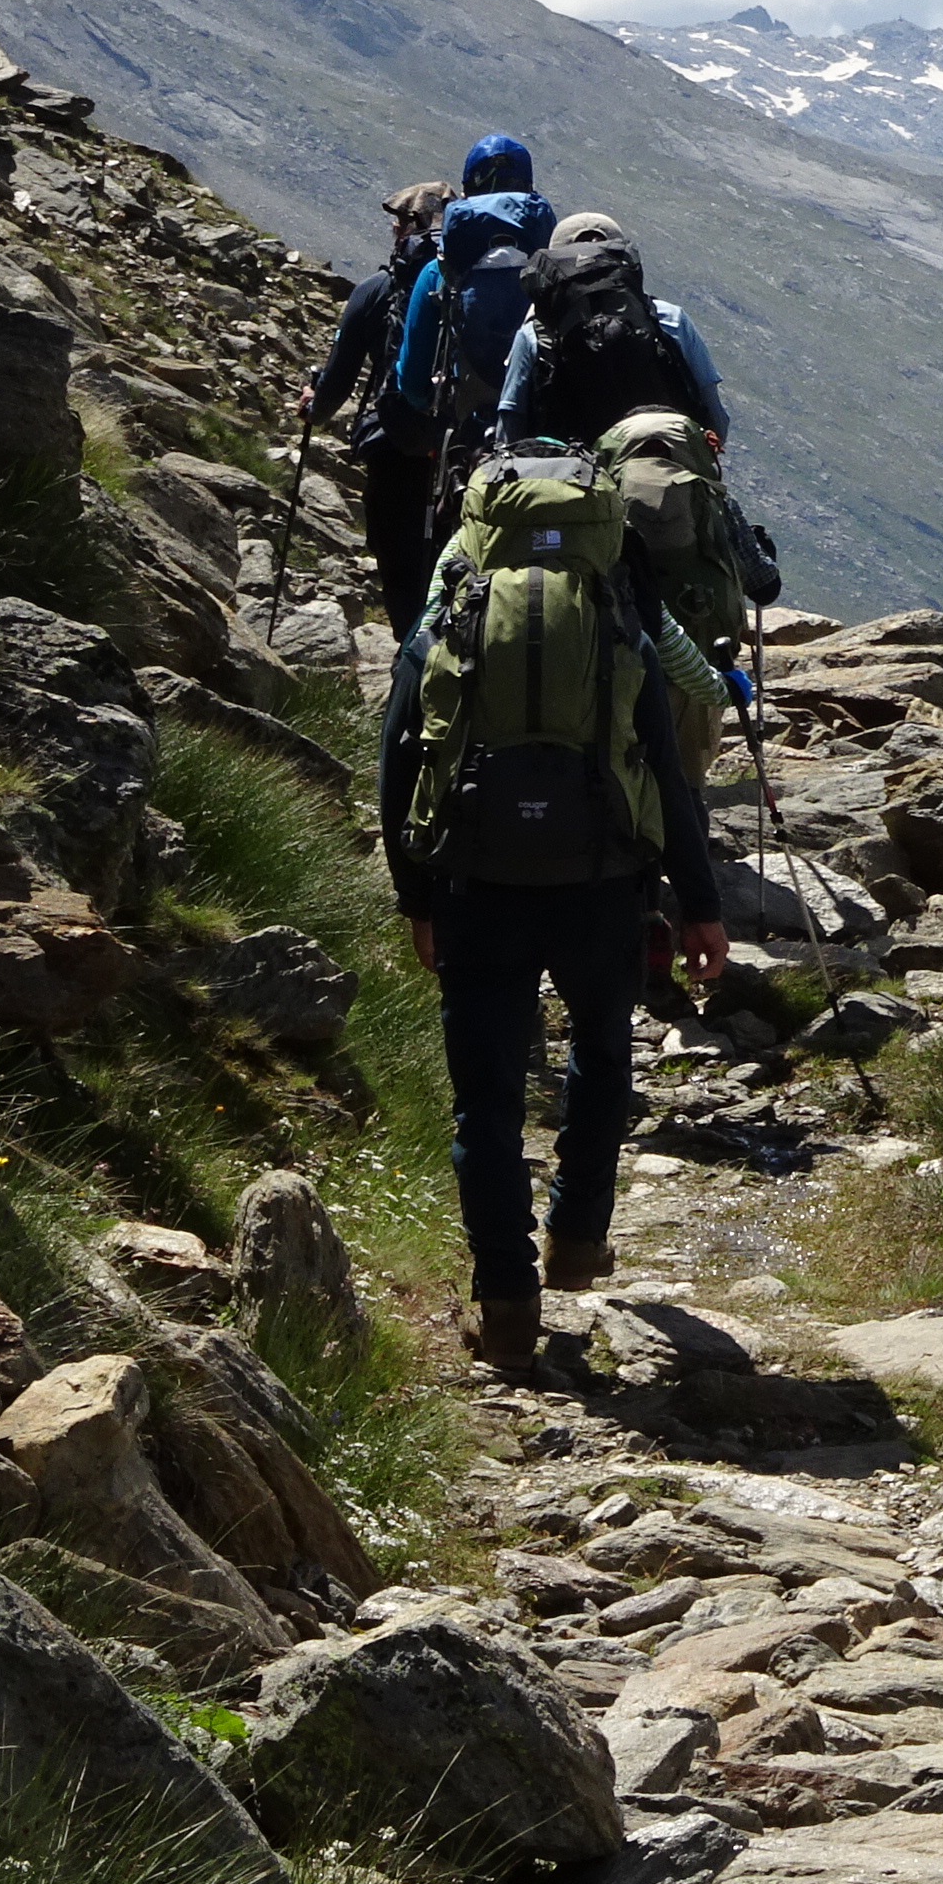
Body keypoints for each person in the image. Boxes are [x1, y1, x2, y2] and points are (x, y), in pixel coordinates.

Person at [379, 444, 727, 1378]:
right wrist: (701, 905)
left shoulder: (454, 607)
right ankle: (578, 1231)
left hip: (476, 884)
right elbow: (664, 764)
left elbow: (399, 754)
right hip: (602, 879)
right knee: (603, 1051)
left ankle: (505, 1305)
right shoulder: (617, 619)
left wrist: (418, 893)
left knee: (485, 1099)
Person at [302, 180, 448, 630]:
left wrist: (313, 408)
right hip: (459, 457)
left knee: (401, 574)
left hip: (395, 447)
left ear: (409, 226)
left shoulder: (376, 291)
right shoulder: (475, 290)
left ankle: (409, 672)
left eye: (398, 221)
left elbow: (336, 385)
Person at [390, 134, 557, 486]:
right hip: (548, 441)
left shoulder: (440, 268)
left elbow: (412, 381)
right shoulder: (554, 266)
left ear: (466, 190)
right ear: (529, 187)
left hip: (471, 438)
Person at [498, 213, 735, 445]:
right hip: (660, 460)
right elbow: (713, 414)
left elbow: (511, 422)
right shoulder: (670, 318)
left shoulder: (535, 334)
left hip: (571, 469)